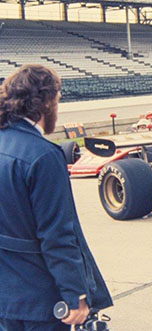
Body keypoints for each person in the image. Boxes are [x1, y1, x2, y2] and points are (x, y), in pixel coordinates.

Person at [0, 64, 112, 330]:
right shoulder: (43, 156)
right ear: (46, 103)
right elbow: (58, 235)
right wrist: (76, 294)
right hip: (39, 299)